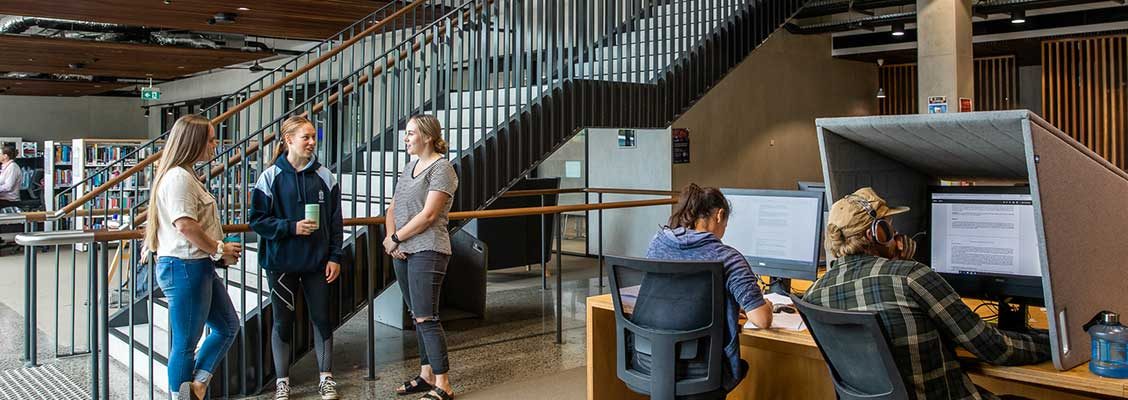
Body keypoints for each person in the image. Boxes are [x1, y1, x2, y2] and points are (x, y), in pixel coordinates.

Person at [803, 187, 1050, 400]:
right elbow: (994, 348)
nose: (897, 233)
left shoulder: (815, 294)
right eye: (890, 226)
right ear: (877, 233)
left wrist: (893, 264)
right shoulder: (910, 276)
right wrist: (1052, 344)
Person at [142, 114, 242, 400]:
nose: (215, 145)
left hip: (195, 266)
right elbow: (185, 224)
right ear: (193, 142)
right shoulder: (178, 178)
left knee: (227, 325)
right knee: (186, 343)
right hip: (185, 266)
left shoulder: (186, 175)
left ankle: (196, 387)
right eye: (210, 139)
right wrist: (219, 248)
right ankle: (180, 395)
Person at [642, 183, 773, 398]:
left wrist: (724, 305)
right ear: (720, 215)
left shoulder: (659, 243)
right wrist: (767, 305)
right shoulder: (729, 258)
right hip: (702, 369)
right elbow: (761, 319)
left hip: (651, 360)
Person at [250, 116, 344, 400]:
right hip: (281, 264)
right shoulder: (269, 178)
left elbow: (336, 222)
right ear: (288, 140)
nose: (312, 142)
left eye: (314, 137)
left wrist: (335, 256)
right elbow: (257, 221)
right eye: (306, 137)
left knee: (322, 320)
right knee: (282, 323)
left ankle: (326, 379)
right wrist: (291, 227)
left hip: (318, 263)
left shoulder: (326, 176)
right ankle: (282, 381)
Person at [385, 114, 458, 400]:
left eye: (411, 133)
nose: (406, 138)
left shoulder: (442, 169)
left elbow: (428, 215)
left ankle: (444, 384)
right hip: (402, 250)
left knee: (427, 317)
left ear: (427, 136)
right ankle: (427, 375)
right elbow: (392, 207)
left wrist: (395, 238)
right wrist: (392, 240)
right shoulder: (410, 167)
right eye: (406, 133)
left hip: (428, 249)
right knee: (417, 317)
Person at [0, 144, 22, 208]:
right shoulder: (4, 166)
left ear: (5, 156)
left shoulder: (12, 167)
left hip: (9, 202)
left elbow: (8, 187)